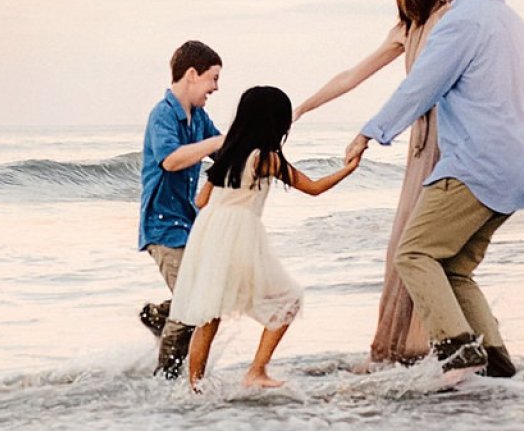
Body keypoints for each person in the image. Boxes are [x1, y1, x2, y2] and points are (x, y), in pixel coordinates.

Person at [346, 0, 524, 385]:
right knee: (454, 268)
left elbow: (420, 87)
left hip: (473, 165)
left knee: (412, 253)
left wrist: (369, 132)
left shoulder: (460, 22)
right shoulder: (515, 24)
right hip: (515, 169)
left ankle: (459, 355)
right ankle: (497, 366)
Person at [293, 0, 444, 366]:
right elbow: (352, 75)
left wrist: (368, 133)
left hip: (446, 141)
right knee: (402, 247)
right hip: (420, 142)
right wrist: (302, 107)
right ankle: (405, 350)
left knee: (418, 247)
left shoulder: (447, 20)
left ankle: (424, 347)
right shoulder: (405, 30)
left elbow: (422, 89)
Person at [175, 85, 361, 391]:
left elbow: (201, 200)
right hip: (239, 233)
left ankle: (194, 387)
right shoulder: (265, 158)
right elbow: (313, 188)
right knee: (289, 301)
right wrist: (349, 170)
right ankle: (256, 371)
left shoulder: (227, 154)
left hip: (209, 233)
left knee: (210, 314)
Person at [137, 40, 225, 378]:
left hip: (189, 222)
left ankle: (160, 316)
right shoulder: (162, 115)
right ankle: (164, 381)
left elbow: (223, 149)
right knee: (193, 305)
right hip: (161, 226)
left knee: (210, 292)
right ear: (191, 74)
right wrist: (215, 143)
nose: (215, 87)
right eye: (213, 78)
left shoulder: (199, 117)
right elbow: (171, 160)